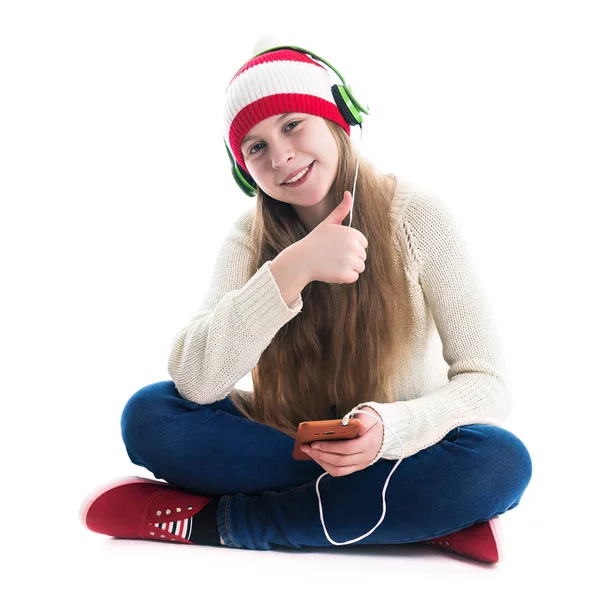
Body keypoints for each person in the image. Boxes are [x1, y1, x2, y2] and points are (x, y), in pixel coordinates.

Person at [79, 45, 532, 563]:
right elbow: (197, 382)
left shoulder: (419, 217)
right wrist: (289, 271)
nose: (280, 156)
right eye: (255, 147)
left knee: (501, 462)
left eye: (292, 124)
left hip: (399, 447)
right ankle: (407, 516)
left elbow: (486, 382)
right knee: (150, 414)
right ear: (244, 169)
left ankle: (225, 523)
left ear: (338, 116)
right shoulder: (248, 238)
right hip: (285, 442)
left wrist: (390, 430)